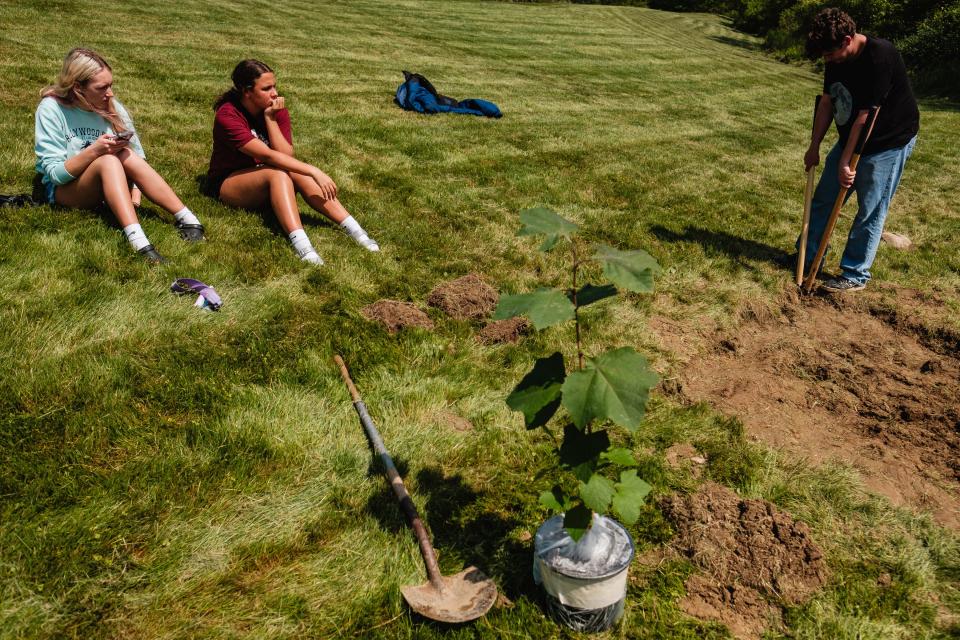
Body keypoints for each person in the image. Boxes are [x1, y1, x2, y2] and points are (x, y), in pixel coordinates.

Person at [35, 48, 204, 263]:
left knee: (123, 153)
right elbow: (55, 175)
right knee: (107, 160)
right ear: (78, 88)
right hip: (62, 190)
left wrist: (135, 195)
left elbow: (138, 159)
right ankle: (139, 243)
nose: (110, 93)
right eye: (102, 87)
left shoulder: (112, 107)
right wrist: (95, 151)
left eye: (111, 85)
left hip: (107, 184)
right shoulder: (51, 109)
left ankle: (189, 220)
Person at [207, 59, 379, 265]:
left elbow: (285, 155)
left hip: (264, 174)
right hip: (229, 183)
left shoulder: (274, 108)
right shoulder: (228, 114)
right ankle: (303, 248)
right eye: (267, 88)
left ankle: (357, 232)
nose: (274, 93)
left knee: (293, 170)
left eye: (275, 86)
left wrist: (271, 118)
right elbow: (268, 156)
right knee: (280, 172)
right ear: (247, 91)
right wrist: (314, 170)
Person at [801, 8, 919, 292]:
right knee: (824, 198)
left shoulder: (881, 56)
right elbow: (828, 102)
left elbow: (867, 116)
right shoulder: (835, 57)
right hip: (851, 135)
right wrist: (814, 146)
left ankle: (854, 274)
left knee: (870, 208)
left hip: (887, 141)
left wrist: (845, 162)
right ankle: (807, 257)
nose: (827, 61)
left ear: (847, 39)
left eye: (829, 55)